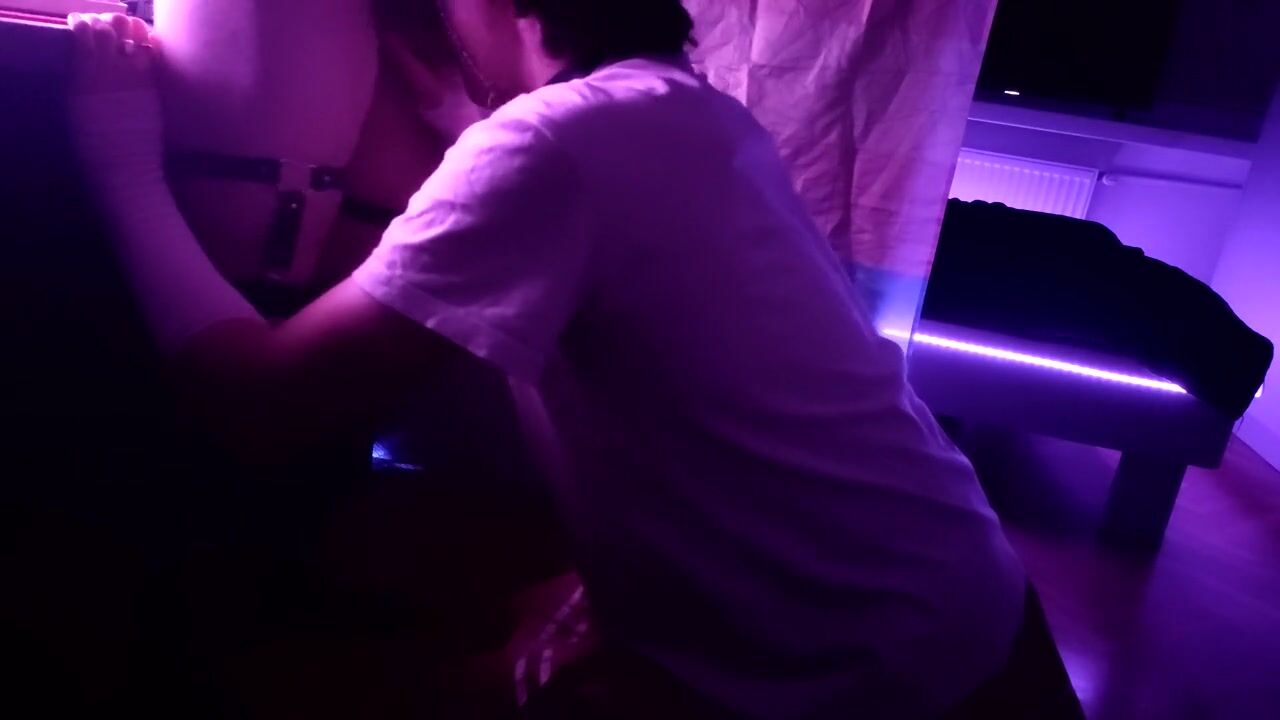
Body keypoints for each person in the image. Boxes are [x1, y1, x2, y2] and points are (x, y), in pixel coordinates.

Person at [65, 2, 1080, 718]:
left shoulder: (554, 146)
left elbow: (261, 405)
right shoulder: (686, 107)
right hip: (960, 594)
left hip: (872, 667)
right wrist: (460, 123)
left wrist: (118, 155)